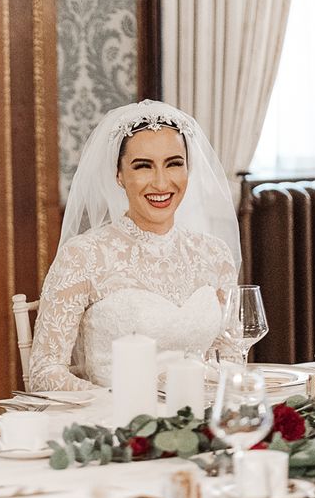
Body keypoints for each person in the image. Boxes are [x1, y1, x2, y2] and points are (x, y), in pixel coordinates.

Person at [29, 100, 240, 391]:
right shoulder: (84, 256)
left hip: (198, 421)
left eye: (174, 164)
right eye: (143, 166)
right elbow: (45, 371)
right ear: (119, 175)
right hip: (115, 423)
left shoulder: (215, 255)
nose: (161, 182)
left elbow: (230, 356)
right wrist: (120, 403)